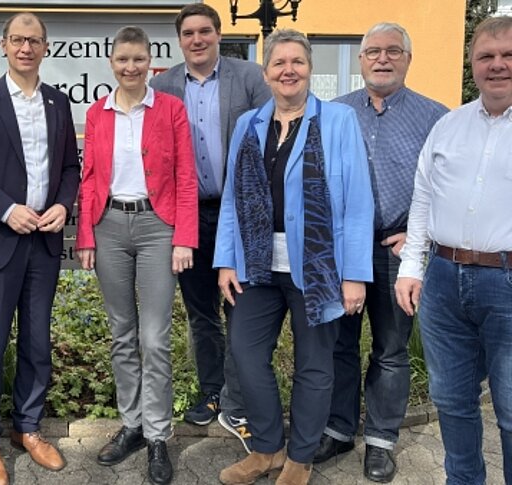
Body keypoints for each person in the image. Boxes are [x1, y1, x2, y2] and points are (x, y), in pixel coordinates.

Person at [214, 29, 373, 485]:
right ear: (266, 73)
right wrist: (226, 261)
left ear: (309, 69)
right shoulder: (249, 125)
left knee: (314, 366)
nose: (289, 70)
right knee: (246, 355)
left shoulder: (339, 121)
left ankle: (300, 458)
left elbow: (358, 201)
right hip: (256, 264)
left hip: (320, 267)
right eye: (279, 63)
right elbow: (233, 199)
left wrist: (354, 275)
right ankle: (267, 449)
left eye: (297, 62)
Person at [312, 22, 448, 483]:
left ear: (408, 59)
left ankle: (381, 441)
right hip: (341, 250)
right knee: (339, 346)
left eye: (393, 51)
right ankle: (338, 430)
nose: (382, 58)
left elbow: (449, 186)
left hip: (396, 250)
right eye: (373, 51)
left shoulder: (435, 117)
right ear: (361, 60)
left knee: (391, 349)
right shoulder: (334, 113)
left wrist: (420, 236)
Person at [0, 12, 80, 485]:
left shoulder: (57, 101)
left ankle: (28, 427)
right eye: (18, 39)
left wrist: (63, 204)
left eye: (35, 40)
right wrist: (6, 210)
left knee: (37, 341)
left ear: (46, 47)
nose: (26, 48)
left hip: (44, 241)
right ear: (3, 45)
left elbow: (69, 167)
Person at [76, 26, 198, 485]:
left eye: (138, 59)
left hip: (157, 227)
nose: (131, 67)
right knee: (121, 333)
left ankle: (158, 434)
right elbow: (89, 178)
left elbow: (185, 175)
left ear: (150, 62)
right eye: (123, 59)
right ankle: (132, 425)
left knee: (154, 338)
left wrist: (184, 237)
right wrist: (85, 236)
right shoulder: (98, 112)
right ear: (112, 63)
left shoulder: (170, 109)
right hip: (108, 225)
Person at [396, 15, 512, 485]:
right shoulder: (448, 126)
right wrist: (411, 267)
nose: (497, 64)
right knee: (452, 400)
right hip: (443, 280)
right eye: (486, 56)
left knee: (510, 408)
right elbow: (423, 200)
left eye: (508, 55)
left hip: (507, 283)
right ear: (472, 63)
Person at [150, 3, 271, 438]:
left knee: (241, 308)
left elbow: (271, 137)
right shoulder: (162, 85)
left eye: (205, 31)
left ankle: (241, 398)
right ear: (179, 40)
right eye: (188, 33)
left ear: (219, 34)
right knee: (202, 312)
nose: (197, 40)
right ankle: (213, 392)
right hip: (189, 215)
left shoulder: (250, 77)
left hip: (240, 214)